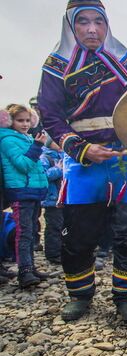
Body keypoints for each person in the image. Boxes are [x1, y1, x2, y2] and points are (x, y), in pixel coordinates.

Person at [38, 0, 127, 321]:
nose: (92, 29)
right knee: (79, 234)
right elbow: (50, 114)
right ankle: (80, 295)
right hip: (82, 161)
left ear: (106, 25)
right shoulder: (56, 65)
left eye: (98, 22)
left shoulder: (126, 62)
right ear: (71, 25)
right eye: (83, 22)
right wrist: (80, 148)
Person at [0, 105, 49, 288]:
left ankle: (31, 267)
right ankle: (25, 271)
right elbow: (23, 165)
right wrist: (37, 146)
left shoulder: (26, 138)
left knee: (30, 232)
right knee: (24, 233)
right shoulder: (7, 140)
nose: (25, 124)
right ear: (9, 121)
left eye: (28, 120)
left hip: (32, 191)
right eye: (20, 120)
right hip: (21, 191)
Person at [39, 138, 65, 264]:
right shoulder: (45, 157)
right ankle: (53, 253)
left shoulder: (65, 156)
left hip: (64, 199)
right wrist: (58, 170)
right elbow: (42, 176)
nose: (60, 144)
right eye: (57, 141)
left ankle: (63, 250)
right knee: (54, 227)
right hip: (52, 200)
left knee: (64, 226)